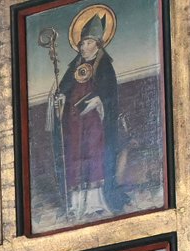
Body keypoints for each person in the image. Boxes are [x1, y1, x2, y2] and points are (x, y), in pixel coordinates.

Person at [49, 9, 126, 223]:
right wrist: (60, 99)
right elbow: (63, 89)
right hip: (74, 122)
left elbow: (109, 93)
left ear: (98, 44)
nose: (83, 46)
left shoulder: (104, 65)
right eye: (82, 43)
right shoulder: (74, 66)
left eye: (88, 42)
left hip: (94, 121)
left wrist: (98, 100)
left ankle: (95, 203)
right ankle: (76, 205)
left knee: (94, 156)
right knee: (74, 157)